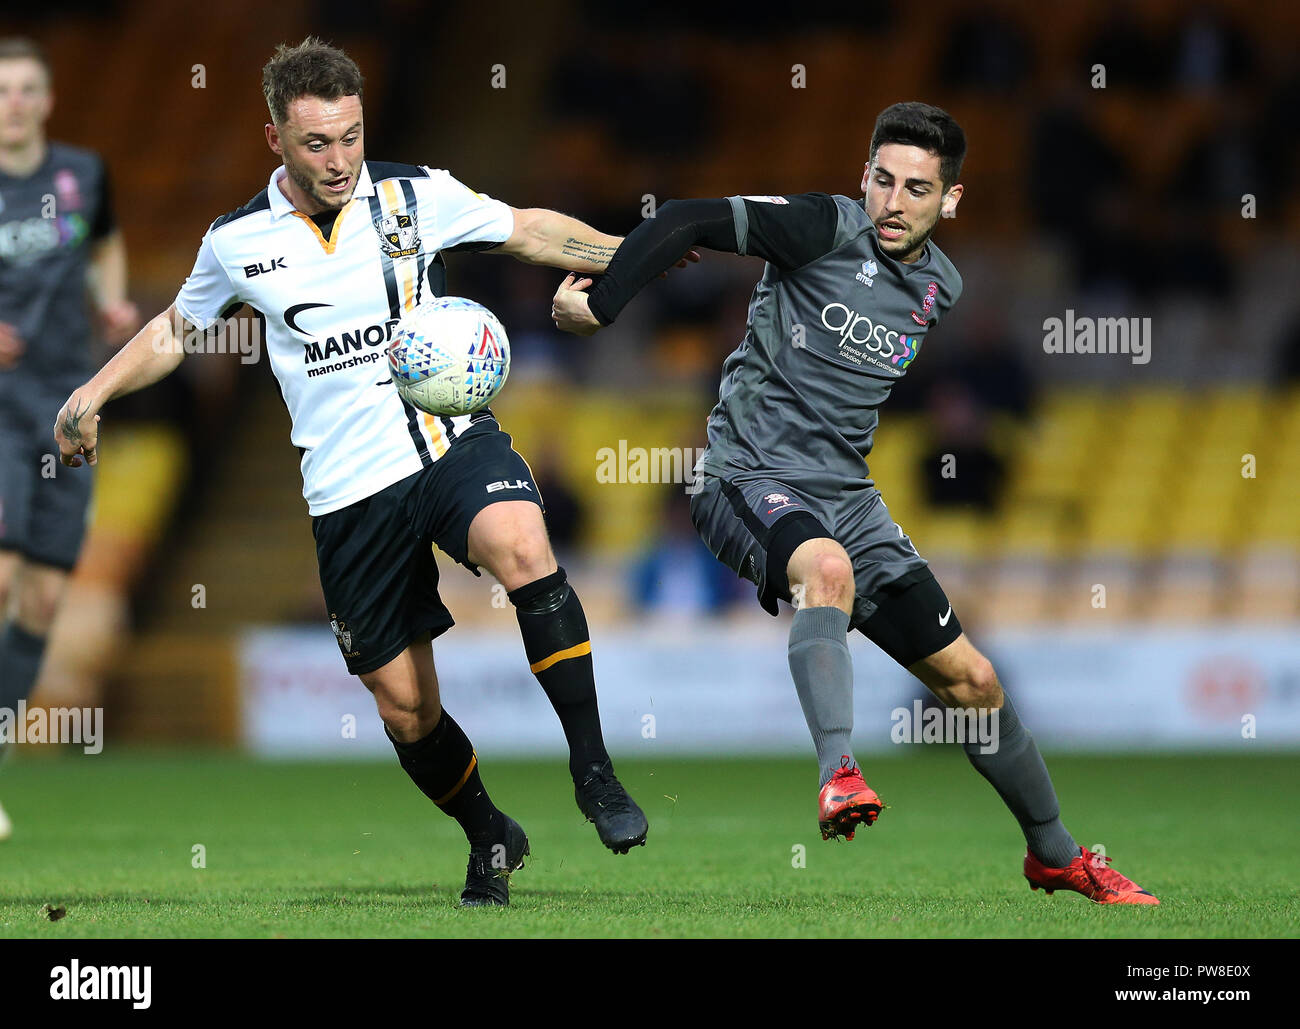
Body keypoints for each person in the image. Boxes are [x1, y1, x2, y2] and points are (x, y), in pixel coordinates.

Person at [53, 37, 651, 907]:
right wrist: (94, 391)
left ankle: (594, 771)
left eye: (351, 137)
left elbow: (527, 231)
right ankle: (490, 830)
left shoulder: (416, 193)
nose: (338, 161)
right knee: (405, 707)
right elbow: (177, 331)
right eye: (316, 144)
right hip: (347, 492)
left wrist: (636, 252)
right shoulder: (237, 241)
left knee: (522, 543)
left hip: (448, 441)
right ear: (276, 142)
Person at [551, 101, 1159, 905]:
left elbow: (851, 385)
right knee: (825, 569)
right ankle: (838, 770)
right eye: (882, 180)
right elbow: (692, 218)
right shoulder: (820, 228)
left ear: (952, 201)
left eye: (917, 188)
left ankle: (1056, 855)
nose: (894, 202)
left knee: (973, 681)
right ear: (862, 178)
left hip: (848, 494)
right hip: (744, 475)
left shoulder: (940, 285)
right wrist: (602, 304)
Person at [0, 37, 139, 842]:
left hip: (70, 407)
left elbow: (107, 239)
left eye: (26, 89)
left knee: (44, 599)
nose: (13, 102)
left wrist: (114, 303)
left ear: (48, 99)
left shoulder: (82, 173)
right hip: (0, 409)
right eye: (2, 90)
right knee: (4, 571)